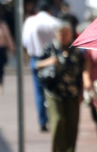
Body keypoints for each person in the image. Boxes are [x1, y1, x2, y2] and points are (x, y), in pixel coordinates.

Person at [36, 22, 84, 152]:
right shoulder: (50, 47)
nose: (64, 37)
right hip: (54, 92)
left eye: (67, 34)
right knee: (57, 123)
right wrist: (50, 61)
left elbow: (81, 72)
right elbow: (36, 64)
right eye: (61, 34)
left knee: (71, 125)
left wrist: (82, 91)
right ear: (57, 34)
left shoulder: (76, 50)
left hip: (73, 92)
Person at [22, 0, 60, 132]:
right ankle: (52, 118)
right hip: (51, 59)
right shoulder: (55, 21)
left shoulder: (30, 21)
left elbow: (25, 41)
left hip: (36, 58)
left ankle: (42, 121)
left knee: (39, 92)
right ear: (49, 10)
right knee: (52, 90)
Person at [0, 12, 14, 94]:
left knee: (0, 68)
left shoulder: (3, 26)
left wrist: (12, 47)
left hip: (1, 50)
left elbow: (8, 37)